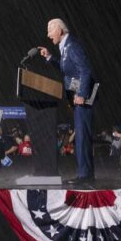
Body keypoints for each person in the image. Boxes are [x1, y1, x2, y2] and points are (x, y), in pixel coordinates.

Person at [39, 18, 96, 185]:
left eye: (50, 30)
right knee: (82, 136)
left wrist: (82, 94)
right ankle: (86, 174)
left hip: (82, 99)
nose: (48, 35)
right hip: (77, 98)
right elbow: (67, 72)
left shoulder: (72, 46)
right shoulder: (65, 48)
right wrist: (50, 57)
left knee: (83, 136)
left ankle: (85, 175)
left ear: (59, 30)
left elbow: (85, 70)